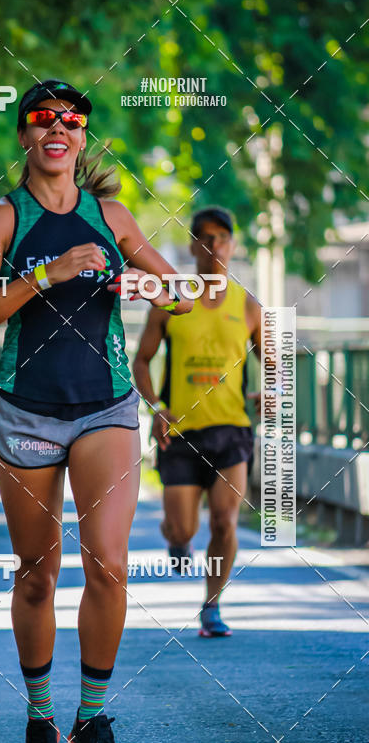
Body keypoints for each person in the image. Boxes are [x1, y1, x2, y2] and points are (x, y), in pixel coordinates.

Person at [0, 79, 192, 743]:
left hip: (106, 407)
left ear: (84, 137)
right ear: (25, 135)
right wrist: (47, 274)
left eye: (73, 120)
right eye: (43, 118)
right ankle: (39, 722)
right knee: (37, 575)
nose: (59, 127)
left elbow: (181, 291)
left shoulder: (111, 214)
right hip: (26, 410)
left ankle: (92, 719)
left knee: (108, 564)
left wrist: (140, 285)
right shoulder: (2, 218)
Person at [133, 207, 262, 638]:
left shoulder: (249, 306)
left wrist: (271, 392)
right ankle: (175, 537)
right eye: (205, 239)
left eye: (222, 238)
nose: (214, 247)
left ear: (233, 244)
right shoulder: (172, 299)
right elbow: (143, 361)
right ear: (192, 246)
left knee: (225, 522)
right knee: (184, 527)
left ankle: (212, 606)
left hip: (232, 430)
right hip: (181, 433)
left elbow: (277, 365)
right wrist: (156, 407)